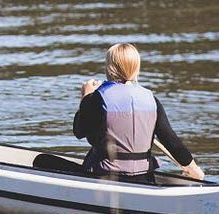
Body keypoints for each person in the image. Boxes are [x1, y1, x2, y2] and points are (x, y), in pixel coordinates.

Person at [74, 42, 204, 183]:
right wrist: (192, 167)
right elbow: (170, 139)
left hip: (103, 174)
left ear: (109, 67)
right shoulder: (151, 99)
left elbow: (79, 131)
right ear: (136, 68)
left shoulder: (97, 98)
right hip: (144, 177)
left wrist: (86, 97)